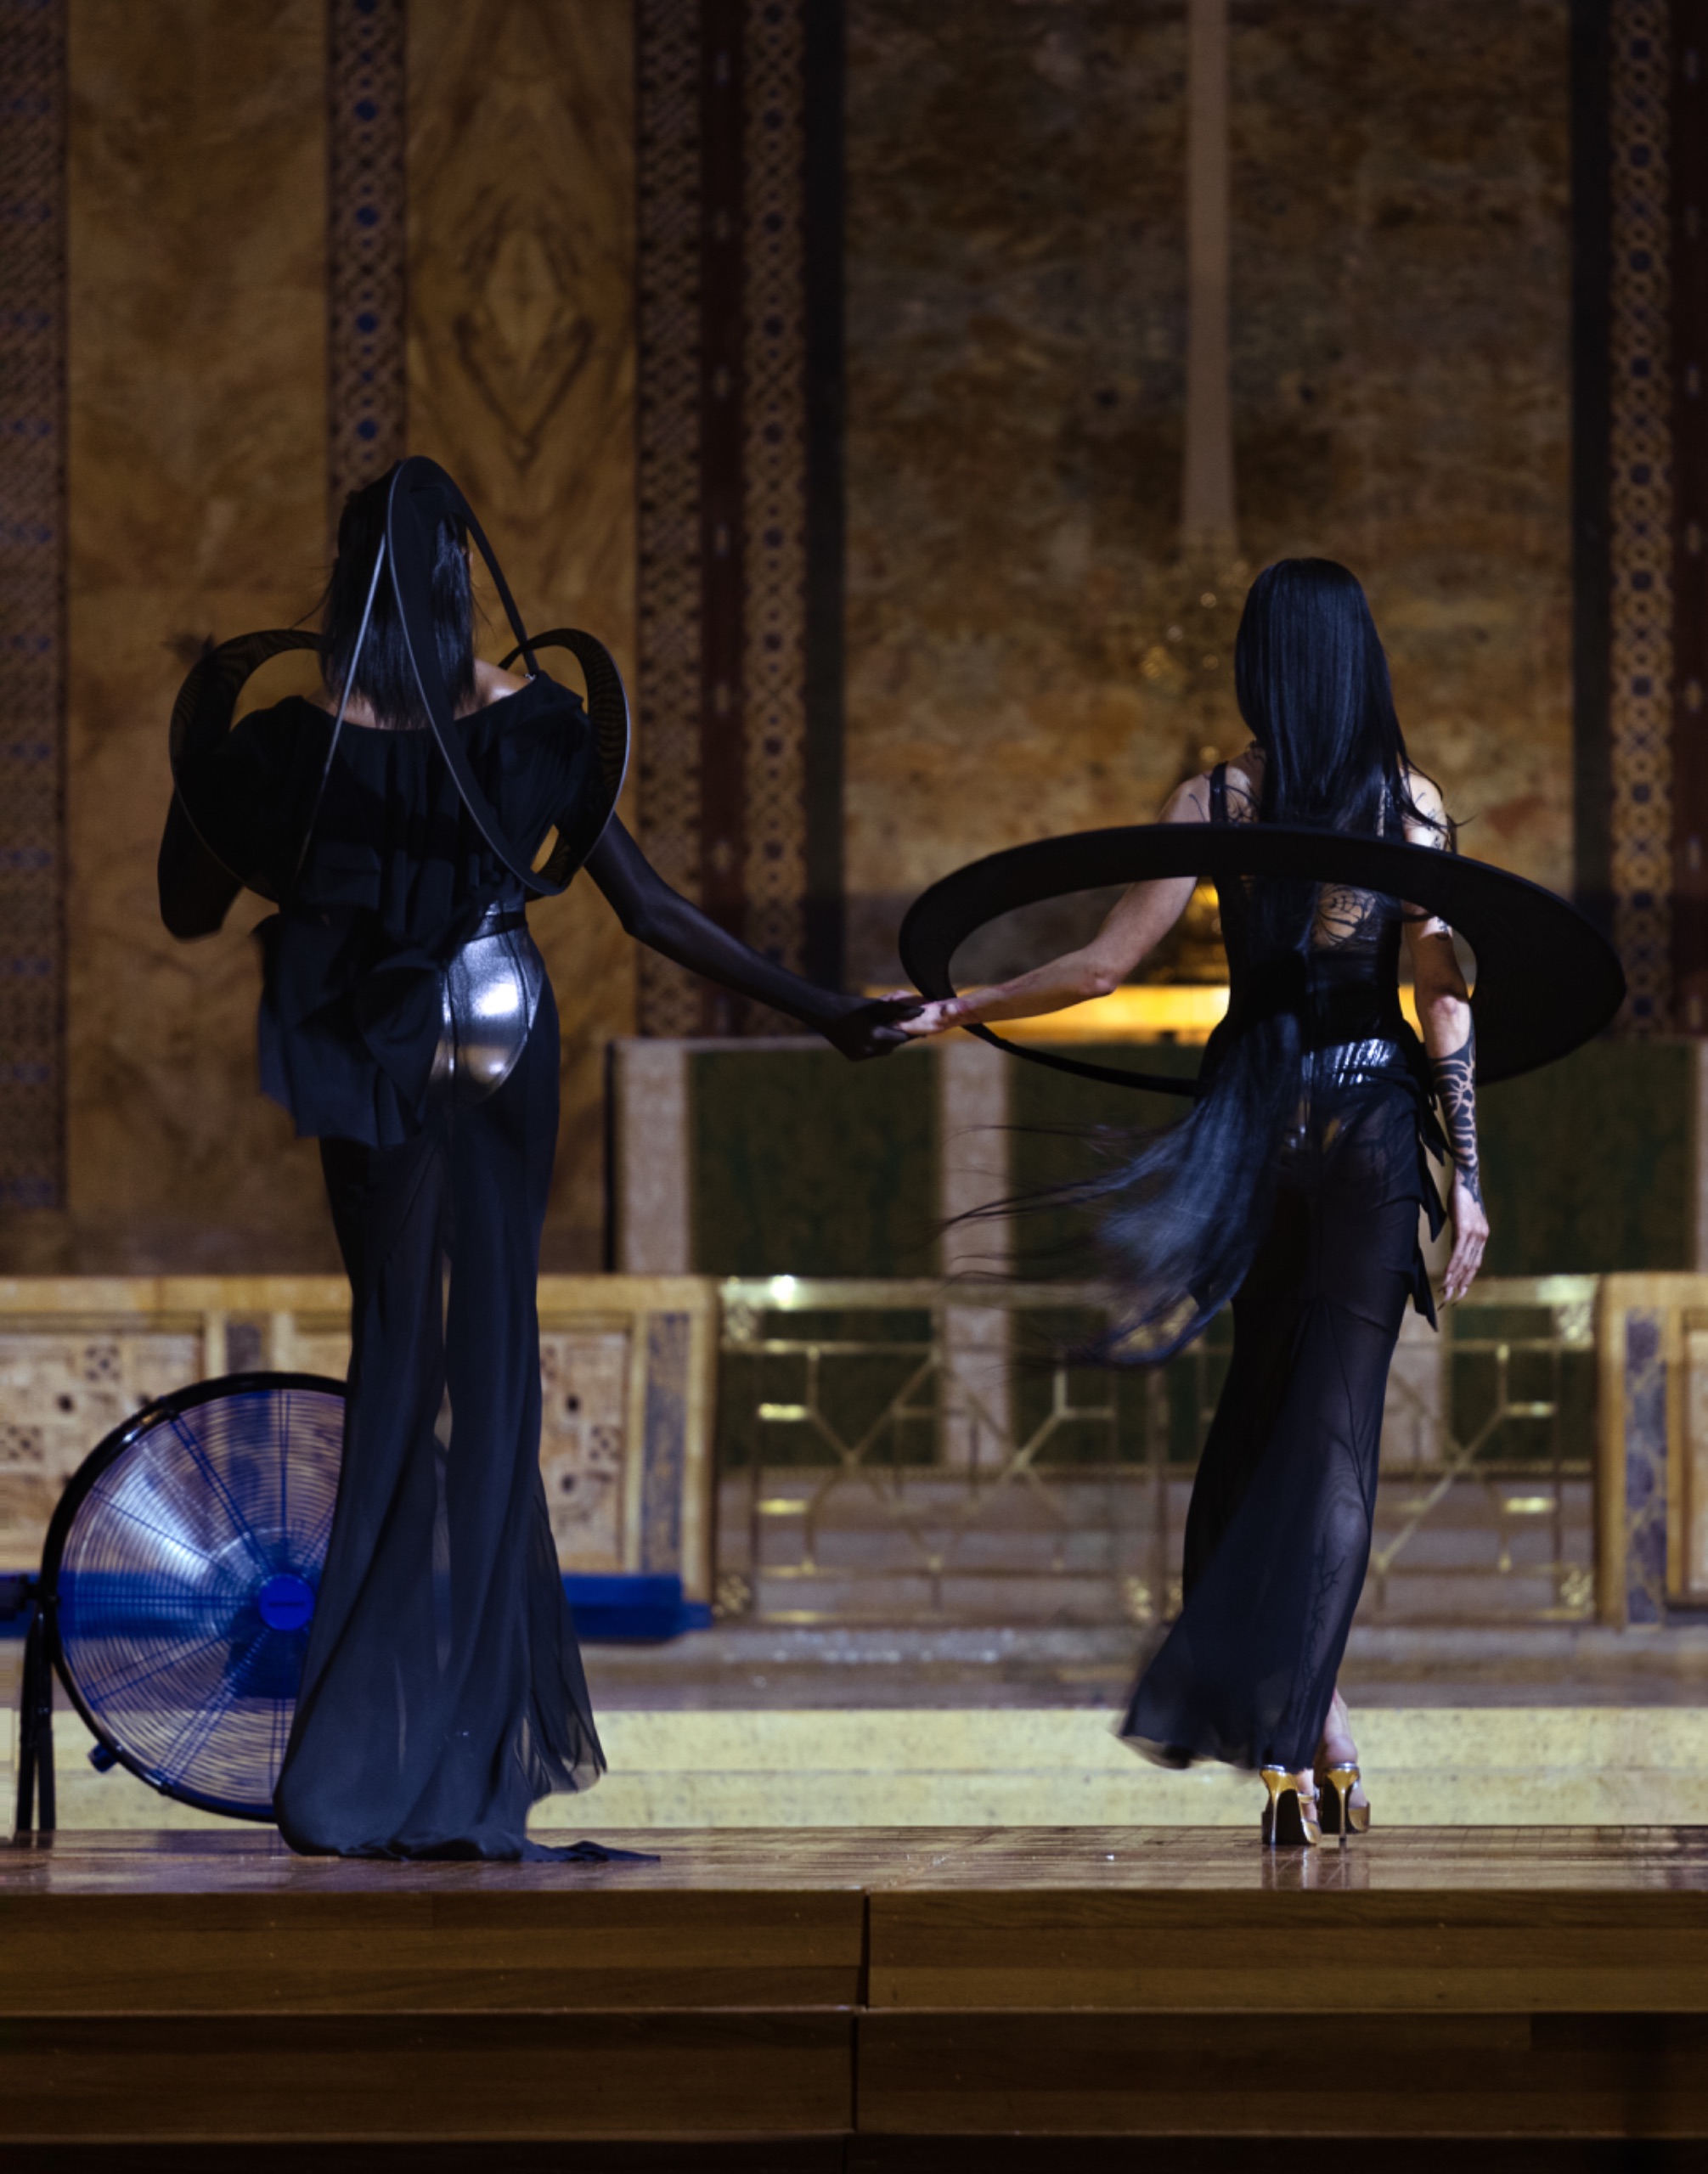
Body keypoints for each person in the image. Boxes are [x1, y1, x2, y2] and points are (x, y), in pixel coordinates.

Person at [158, 459, 913, 1860]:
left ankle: (356, 1760)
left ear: (346, 570)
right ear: (461, 574)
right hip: (498, 1024)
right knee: (491, 1369)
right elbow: (645, 905)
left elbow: (190, 902)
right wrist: (823, 1010)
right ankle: (453, 1749)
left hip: (361, 1039)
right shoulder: (529, 720)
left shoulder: (285, 733)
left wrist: (201, 758)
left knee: (399, 1362)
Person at [897, 558, 1486, 1845]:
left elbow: (1106, 963)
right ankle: (1305, 1726)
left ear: (1265, 661)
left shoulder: (1219, 796)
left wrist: (963, 1007)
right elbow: (1444, 994)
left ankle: (1303, 1731)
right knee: (1329, 1436)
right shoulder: (1414, 804)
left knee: (1262, 1413)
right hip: (1374, 1127)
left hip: (1258, 1125)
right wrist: (1474, 1188)